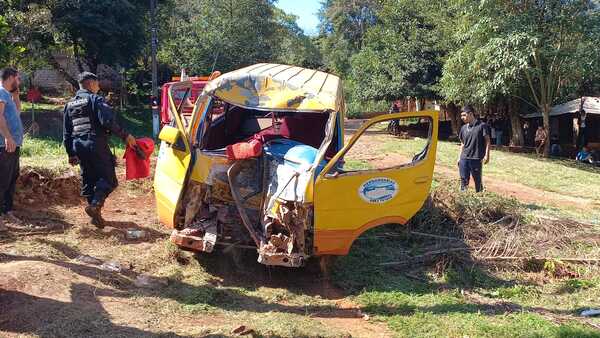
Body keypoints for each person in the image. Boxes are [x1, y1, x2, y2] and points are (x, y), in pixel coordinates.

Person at [63, 72, 137, 228]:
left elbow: (66, 132)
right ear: (91, 84)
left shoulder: (69, 104)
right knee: (109, 180)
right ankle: (95, 205)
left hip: (79, 146)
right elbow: (107, 121)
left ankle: (95, 216)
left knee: (89, 180)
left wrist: (71, 153)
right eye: (97, 84)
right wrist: (125, 136)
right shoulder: (95, 99)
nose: (98, 87)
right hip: (96, 144)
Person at [0, 67, 23, 232]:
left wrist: (16, 96)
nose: (19, 82)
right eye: (18, 78)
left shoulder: (8, 94)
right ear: (11, 77)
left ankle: (7, 212)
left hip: (14, 145)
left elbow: (17, 111)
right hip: (4, 145)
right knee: (2, 181)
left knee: (11, 180)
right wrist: (8, 137)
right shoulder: (1, 92)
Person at [457, 105, 491, 192]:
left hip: (476, 158)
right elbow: (462, 143)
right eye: (461, 115)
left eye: (464, 115)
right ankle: (463, 199)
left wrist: (487, 156)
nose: (462, 118)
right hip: (464, 158)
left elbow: (487, 141)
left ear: (471, 114)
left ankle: (479, 197)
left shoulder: (482, 126)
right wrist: (459, 157)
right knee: (464, 181)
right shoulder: (463, 128)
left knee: (477, 181)